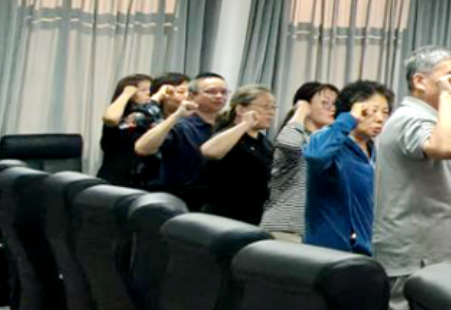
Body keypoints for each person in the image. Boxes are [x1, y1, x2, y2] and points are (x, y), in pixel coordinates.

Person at [375, 46, 451, 310]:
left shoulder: (429, 117)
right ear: (419, 81)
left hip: (432, 253)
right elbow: (446, 146)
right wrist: (445, 97)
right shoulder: (410, 117)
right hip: (416, 255)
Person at [304, 79, 390, 256]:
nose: (380, 118)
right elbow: (316, 156)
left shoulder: (374, 152)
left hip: (365, 252)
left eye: (385, 112)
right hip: (327, 252)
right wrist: (349, 119)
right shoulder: (328, 138)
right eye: (373, 111)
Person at [136, 71, 227, 211]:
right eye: (211, 92)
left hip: (216, 202)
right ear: (192, 96)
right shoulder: (181, 125)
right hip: (180, 202)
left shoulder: (228, 127)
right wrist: (177, 115)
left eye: (224, 92)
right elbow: (142, 148)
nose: (219, 96)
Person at [261, 82, 338, 242]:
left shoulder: (325, 143)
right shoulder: (298, 137)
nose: (332, 109)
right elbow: (288, 143)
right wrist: (301, 110)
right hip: (285, 229)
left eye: (335, 104)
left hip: (315, 231)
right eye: (325, 103)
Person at [200, 85, 276, 225]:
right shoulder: (229, 134)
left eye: (273, 107)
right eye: (266, 107)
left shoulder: (265, 142)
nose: (271, 112)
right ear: (241, 109)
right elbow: (209, 151)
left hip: (254, 216)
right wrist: (245, 124)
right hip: (223, 217)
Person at [97, 73, 152, 186]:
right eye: (143, 90)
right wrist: (126, 94)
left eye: (150, 89)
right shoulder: (120, 116)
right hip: (115, 181)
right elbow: (111, 118)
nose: (149, 93)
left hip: (141, 180)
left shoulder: (149, 116)